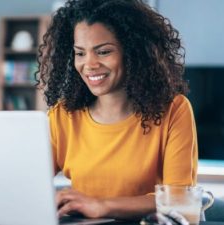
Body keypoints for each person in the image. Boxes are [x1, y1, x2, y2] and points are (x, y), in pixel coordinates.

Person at [36, 0, 198, 220]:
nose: (89, 64)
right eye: (80, 53)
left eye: (103, 52)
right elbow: (30, 183)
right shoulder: (63, 116)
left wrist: (103, 206)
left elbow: (179, 199)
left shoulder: (174, 110)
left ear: (133, 52)